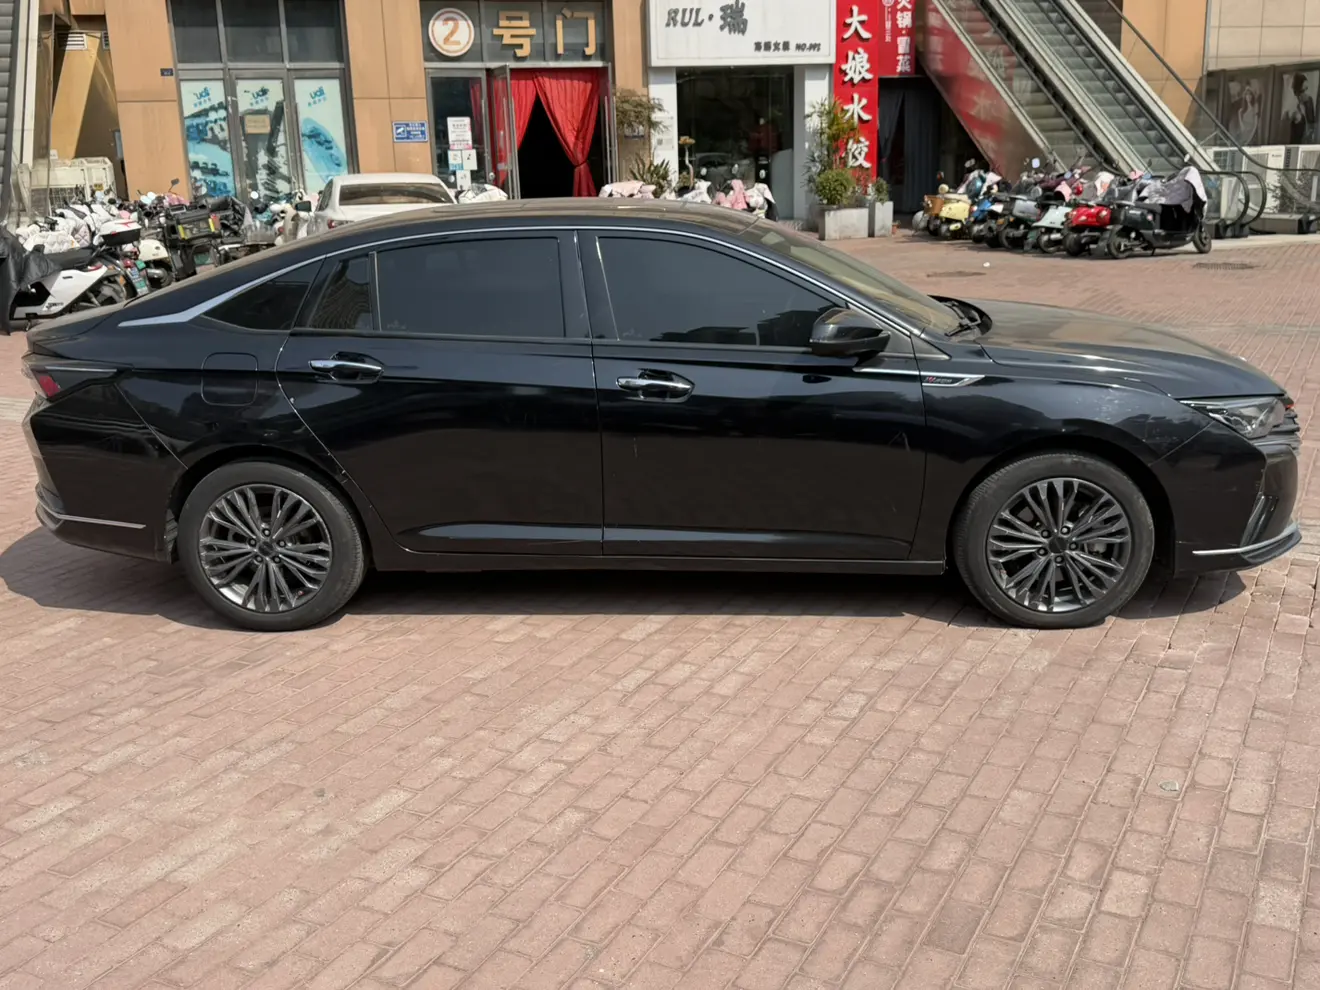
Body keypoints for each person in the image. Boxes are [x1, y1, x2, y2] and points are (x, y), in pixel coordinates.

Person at [1286, 73, 1317, 144]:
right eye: (1303, 91)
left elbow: (1312, 124)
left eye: (1307, 89)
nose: (1306, 94)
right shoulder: (1293, 108)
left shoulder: (1309, 102)